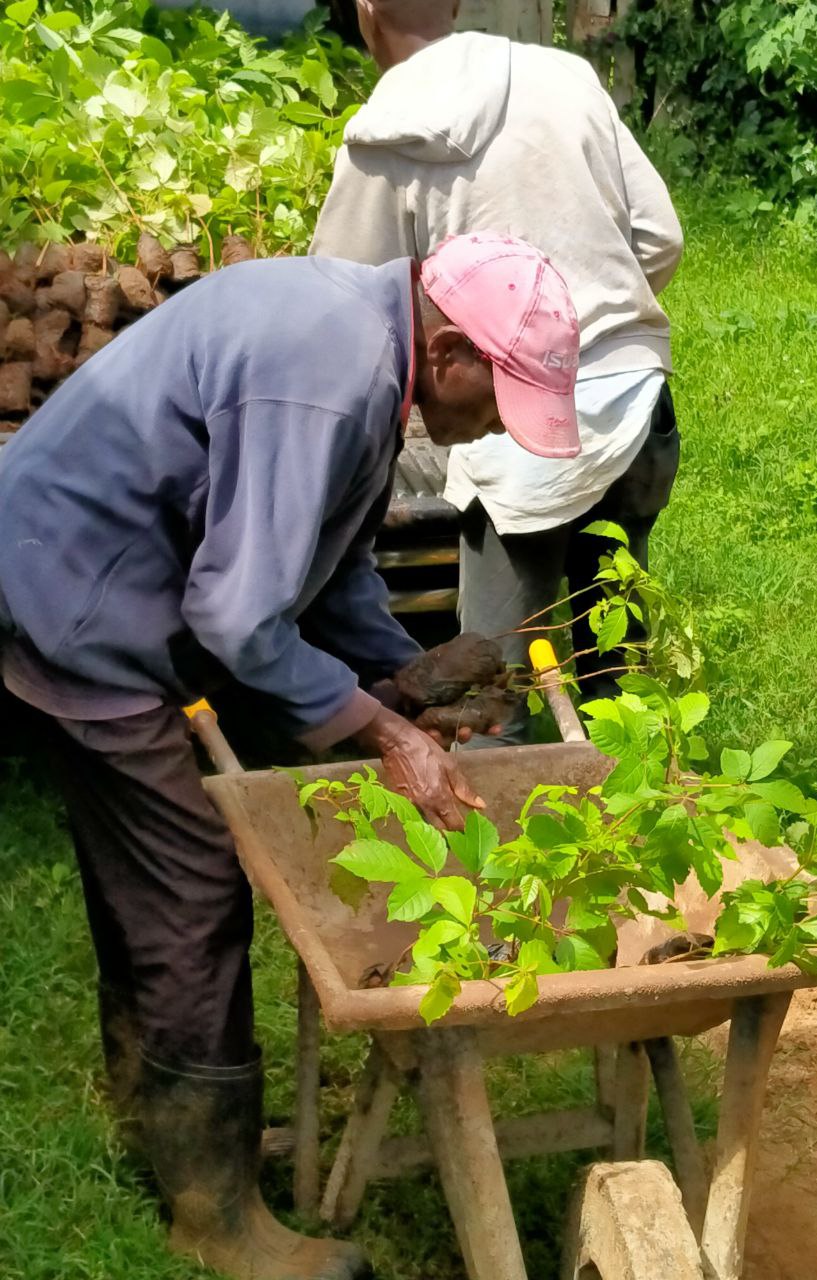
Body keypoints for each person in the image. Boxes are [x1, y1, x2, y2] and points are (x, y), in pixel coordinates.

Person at [0, 232, 580, 1280]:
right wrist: (381, 728)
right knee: (190, 882)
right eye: (500, 399)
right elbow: (235, 613)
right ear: (449, 350)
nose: (497, 425)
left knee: (157, 876)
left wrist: (400, 677)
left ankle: (159, 1116)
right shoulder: (334, 374)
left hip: (96, 572)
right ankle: (213, 1209)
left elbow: (328, 557)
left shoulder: (363, 342)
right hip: (71, 594)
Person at [311, 0, 684, 741]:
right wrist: (583, 334)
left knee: (490, 695)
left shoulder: (384, 135)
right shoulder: (567, 75)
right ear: (453, 4)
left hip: (513, 446)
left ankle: (499, 847)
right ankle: (636, 819)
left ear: (364, 15)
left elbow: (336, 308)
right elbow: (660, 236)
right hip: (634, 403)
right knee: (617, 666)